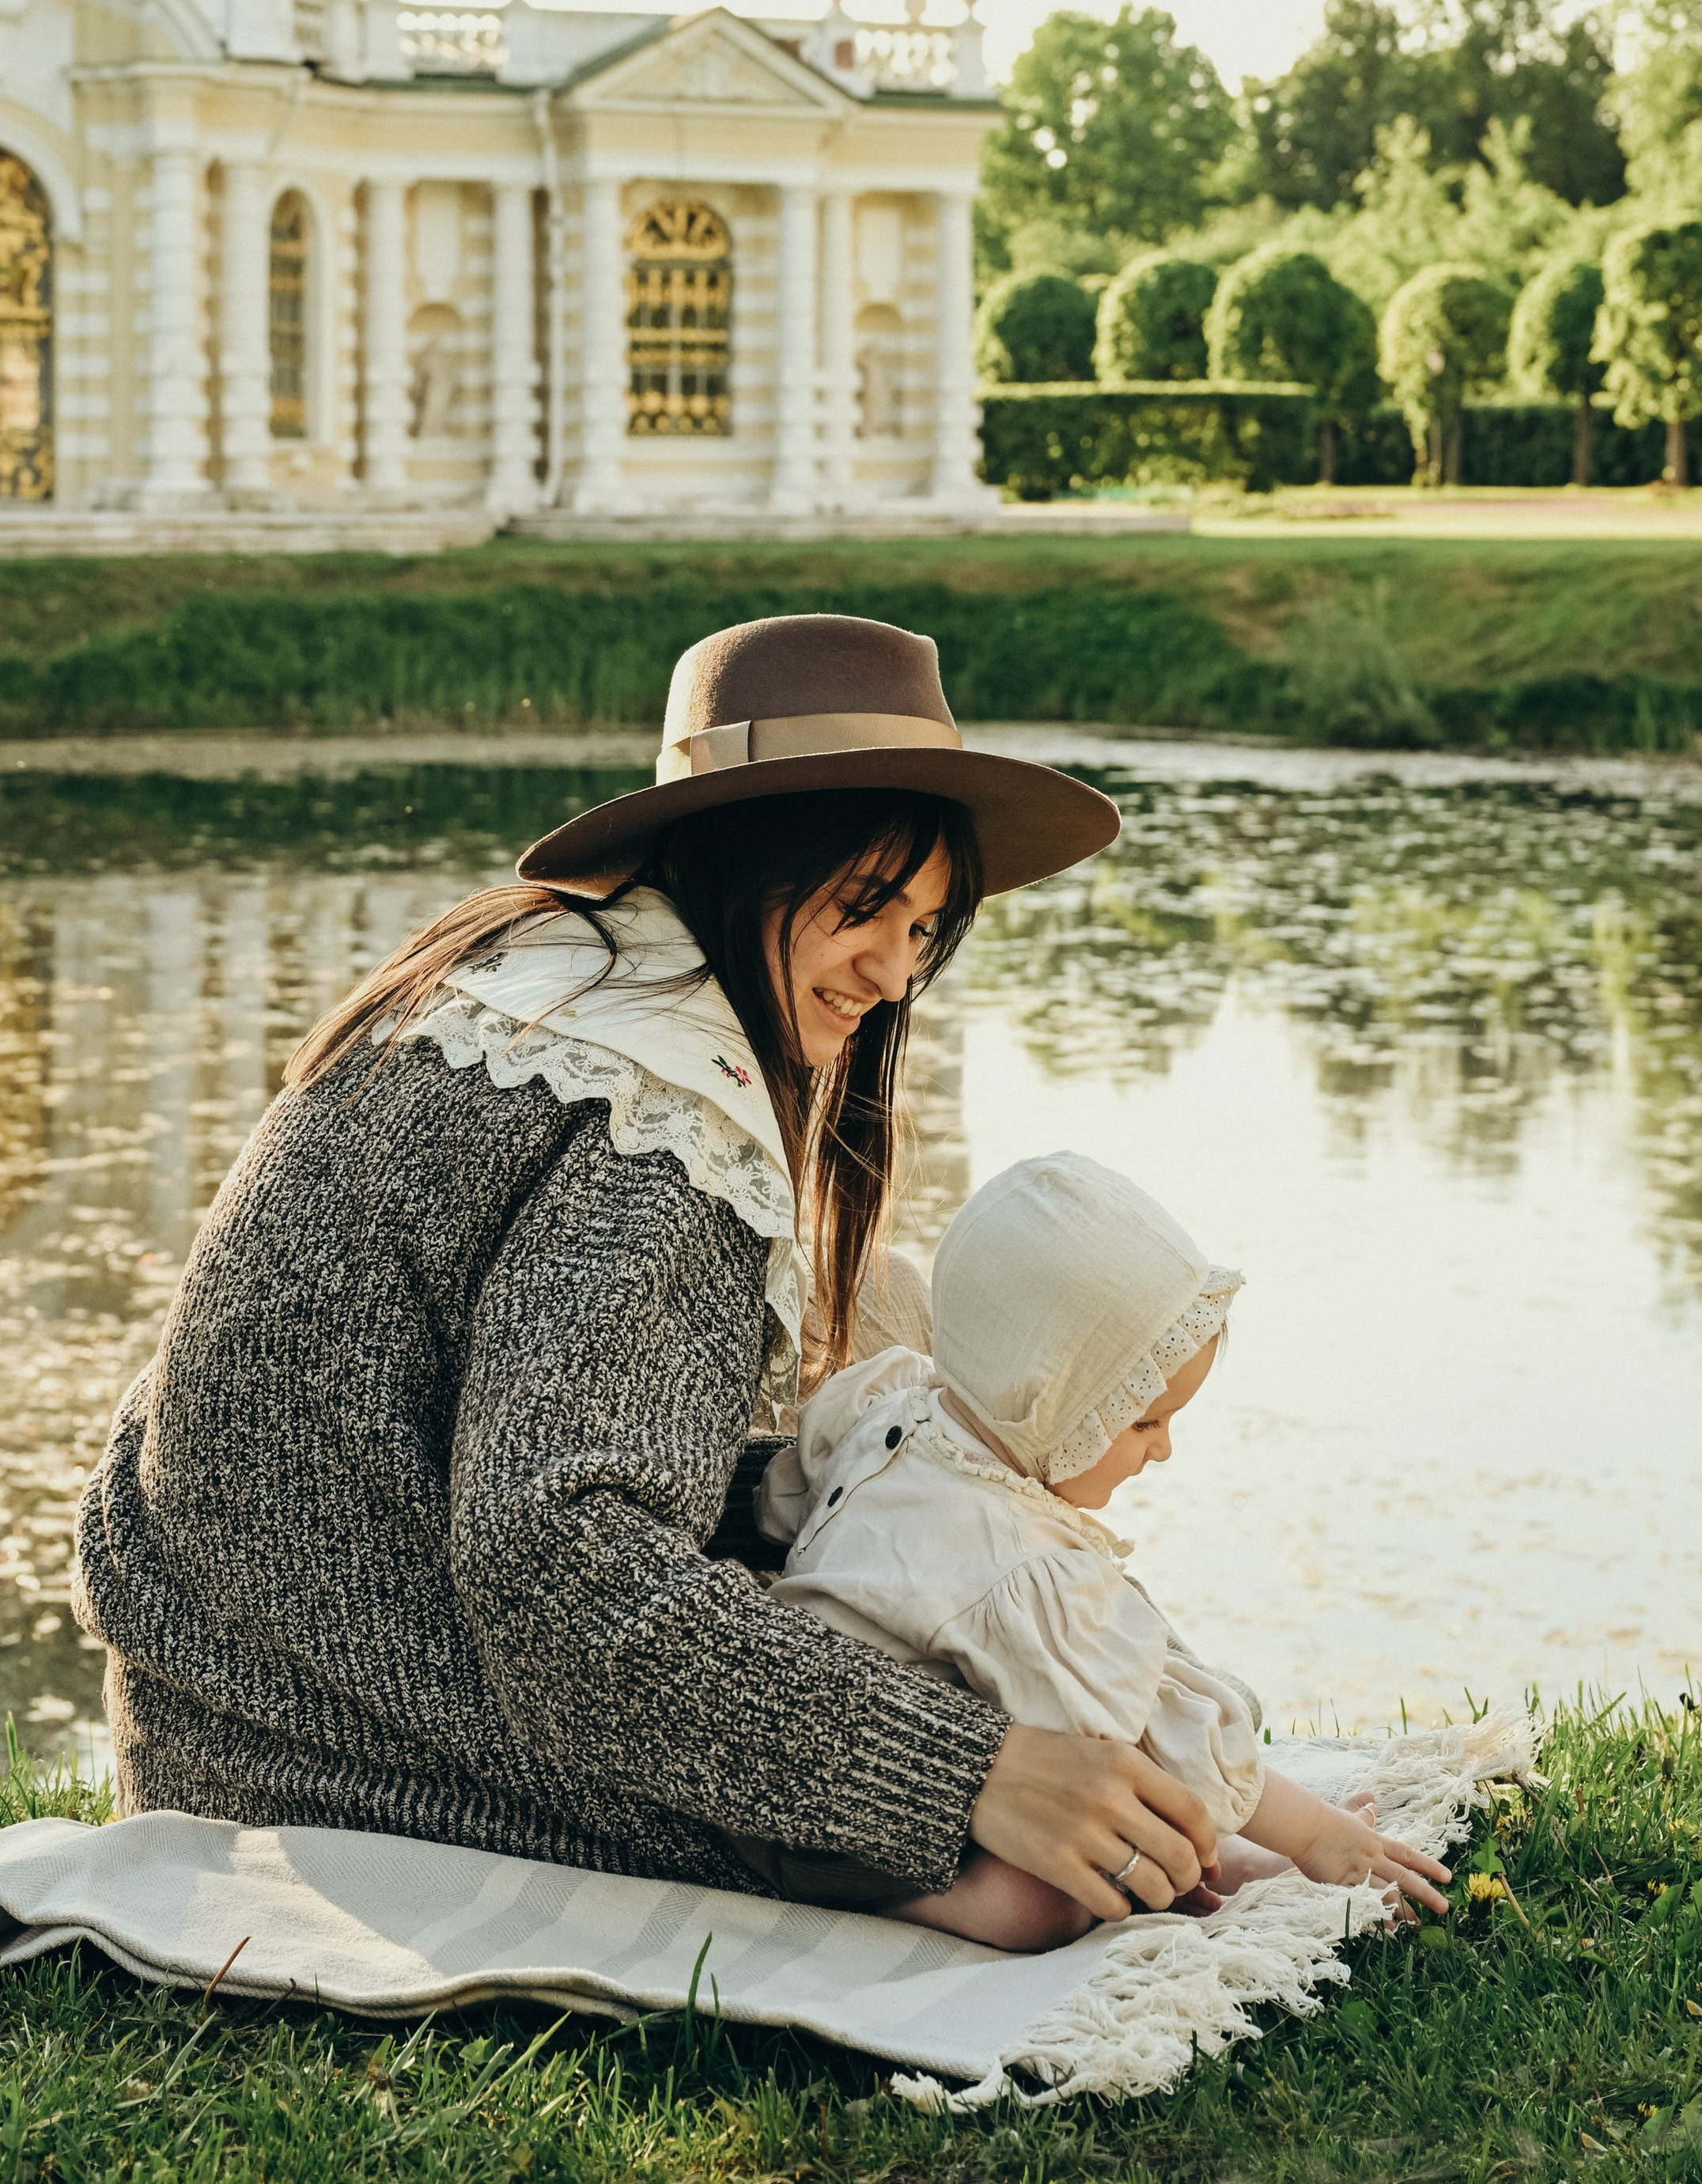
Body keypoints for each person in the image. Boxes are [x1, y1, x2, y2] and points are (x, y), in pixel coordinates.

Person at [72, 612, 1222, 1923]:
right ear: (746, 860)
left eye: (923, 927)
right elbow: (557, 1564)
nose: (896, 975)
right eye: (862, 910)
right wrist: (965, 1772)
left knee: (906, 1462)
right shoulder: (661, 1111)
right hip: (344, 1738)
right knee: (1045, 1868)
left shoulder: (548, 973)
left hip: (226, 1672)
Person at [758, 1151, 1454, 1947]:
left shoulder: (906, 1411)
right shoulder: (1012, 1554)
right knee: (1047, 1898)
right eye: (1142, 1422)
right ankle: (943, 1903)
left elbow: (784, 1508)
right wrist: (1317, 1835)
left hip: (817, 1750)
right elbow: (1155, 1722)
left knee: (1098, 1792)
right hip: (856, 1818)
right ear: (1047, 1400)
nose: (1161, 1452)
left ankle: (1211, 1855)